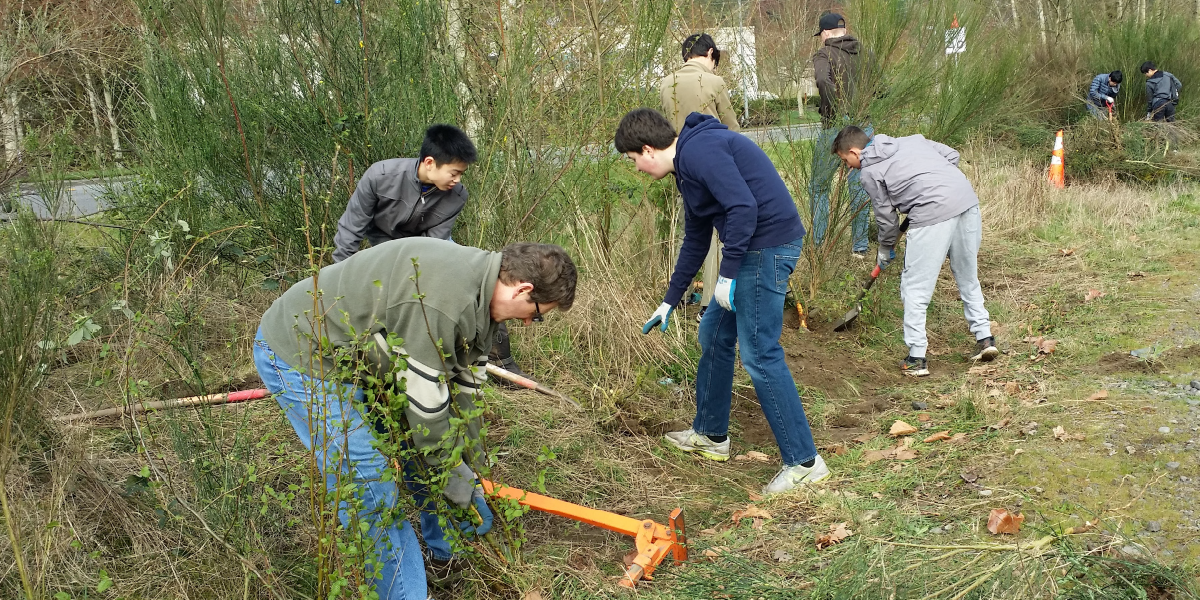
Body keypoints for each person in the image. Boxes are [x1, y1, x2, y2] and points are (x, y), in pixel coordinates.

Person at [254, 239, 577, 600]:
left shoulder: (483, 302)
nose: (531, 323)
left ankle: (446, 556)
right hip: (305, 352)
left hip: (366, 358)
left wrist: (468, 469)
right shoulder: (445, 302)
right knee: (371, 486)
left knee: (425, 454)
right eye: (537, 313)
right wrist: (452, 476)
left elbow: (465, 395)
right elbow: (427, 408)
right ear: (523, 289)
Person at [615, 107, 829, 494]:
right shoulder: (687, 169)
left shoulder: (700, 152)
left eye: (633, 161)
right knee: (713, 333)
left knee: (760, 353)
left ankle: (805, 463)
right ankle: (711, 435)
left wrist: (727, 275)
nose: (637, 169)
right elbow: (696, 239)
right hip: (751, 248)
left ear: (647, 150)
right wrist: (668, 302)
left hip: (767, 247)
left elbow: (744, 207)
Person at [330, 123, 532, 383]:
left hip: (431, 244)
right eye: (454, 172)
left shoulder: (456, 196)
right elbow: (350, 229)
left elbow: (434, 247)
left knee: (481, 280)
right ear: (429, 162)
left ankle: (499, 362)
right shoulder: (379, 176)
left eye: (461, 174)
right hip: (382, 243)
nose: (458, 180)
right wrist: (339, 277)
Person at [831, 125, 999, 377]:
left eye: (845, 161)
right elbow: (952, 156)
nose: (847, 167)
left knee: (914, 288)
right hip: (965, 201)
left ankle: (916, 357)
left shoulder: (869, 171)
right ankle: (985, 339)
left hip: (932, 213)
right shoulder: (912, 140)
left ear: (855, 152)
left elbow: (886, 220)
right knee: (967, 275)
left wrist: (885, 249)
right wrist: (931, 182)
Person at [660, 32, 740, 321]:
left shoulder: (666, 83)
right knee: (719, 236)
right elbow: (731, 128)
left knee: (691, 232)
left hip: (682, 166)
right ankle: (710, 302)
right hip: (715, 165)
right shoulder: (714, 82)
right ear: (709, 54)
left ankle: (678, 297)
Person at [810, 12, 873, 258]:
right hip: (865, 123)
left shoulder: (824, 53)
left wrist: (832, 113)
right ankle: (859, 248)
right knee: (859, 185)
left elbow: (823, 83)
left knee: (819, 185)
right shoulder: (866, 53)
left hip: (836, 124)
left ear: (825, 34)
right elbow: (882, 87)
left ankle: (818, 245)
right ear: (844, 31)